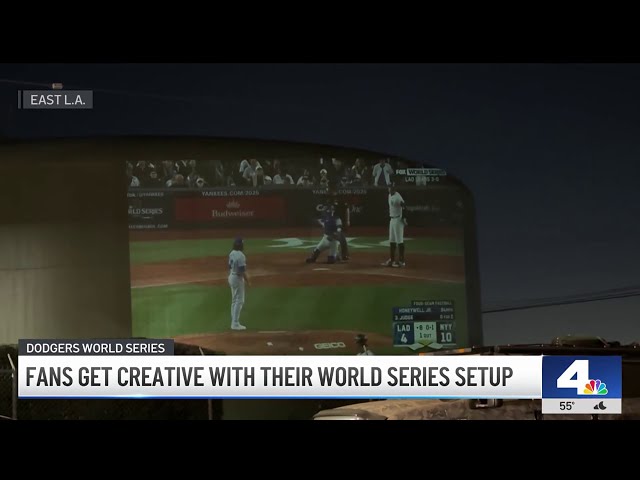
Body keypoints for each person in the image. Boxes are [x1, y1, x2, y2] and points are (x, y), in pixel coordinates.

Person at [228, 238, 251, 330]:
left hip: (231, 277)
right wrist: (248, 281)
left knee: (235, 300)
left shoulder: (232, 253)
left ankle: (233, 322)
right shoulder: (241, 256)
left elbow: (229, 266)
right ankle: (235, 323)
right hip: (237, 278)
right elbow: (242, 271)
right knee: (240, 301)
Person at [382, 184, 407, 267]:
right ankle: (392, 260)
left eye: (390, 187)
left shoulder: (397, 197)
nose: (389, 188)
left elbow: (404, 206)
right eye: (389, 187)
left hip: (398, 220)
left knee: (399, 240)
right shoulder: (389, 195)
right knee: (392, 240)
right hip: (392, 220)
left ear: (393, 189)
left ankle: (402, 261)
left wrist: (404, 218)